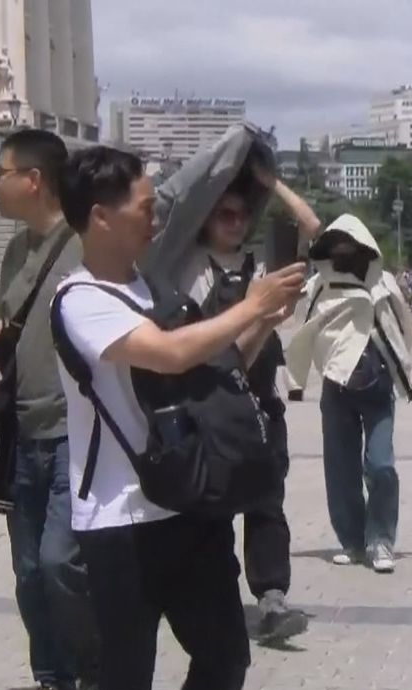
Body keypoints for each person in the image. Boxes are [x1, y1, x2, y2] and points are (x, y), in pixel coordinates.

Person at [52, 145, 304, 690]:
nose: (156, 219)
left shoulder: (154, 289)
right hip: (120, 523)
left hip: (188, 505)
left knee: (225, 659)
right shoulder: (80, 299)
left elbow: (216, 369)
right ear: (100, 216)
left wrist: (265, 317)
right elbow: (167, 355)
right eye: (144, 207)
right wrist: (248, 308)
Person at [0, 129, 100, 690]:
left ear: (33, 180)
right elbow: (5, 325)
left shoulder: (85, 245)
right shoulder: (16, 251)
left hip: (77, 433)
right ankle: (54, 685)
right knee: (27, 573)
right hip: (23, 436)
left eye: (0, 172)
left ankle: (98, 677)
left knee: (59, 563)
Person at [173, 161, 319, 645]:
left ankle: (273, 599)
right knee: (209, 512)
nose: (235, 222)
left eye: (241, 215)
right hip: (210, 403)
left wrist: (269, 184)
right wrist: (260, 319)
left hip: (259, 403)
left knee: (266, 503)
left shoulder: (263, 265)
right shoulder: (188, 267)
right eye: (224, 214)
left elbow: (311, 226)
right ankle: (206, 602)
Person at [286, 214, 412, 574]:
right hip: (336, 387)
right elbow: (302, 333)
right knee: (340, 469)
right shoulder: (318, 286)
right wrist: (295, 381)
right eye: (337, 247)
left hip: (377, 385)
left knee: (381, 466)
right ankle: (352, 539)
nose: (343, 254)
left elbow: (405, 330)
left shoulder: (383, 285)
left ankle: (380, 539)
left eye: (351, 246)